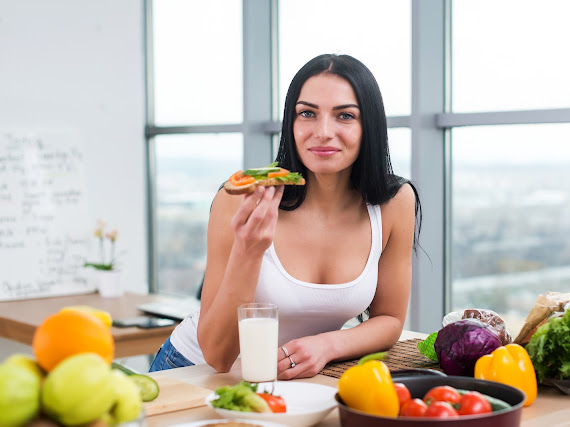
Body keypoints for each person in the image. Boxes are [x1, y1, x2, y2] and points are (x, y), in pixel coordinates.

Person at [149, 53, 422, 378]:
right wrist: (248, 251)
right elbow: (218, 356)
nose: (322, 131)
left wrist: (327, 346)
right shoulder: (241, 198)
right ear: (289, 123)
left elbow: (389, 319)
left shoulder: (394, 203)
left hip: (297, 381)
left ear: (370, 126)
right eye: (307, 113)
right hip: (194, 373)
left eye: (345, 116)